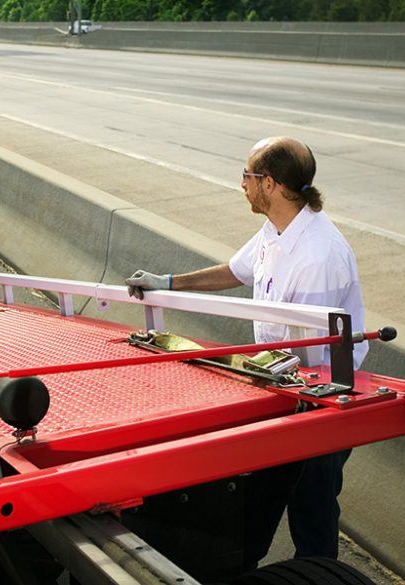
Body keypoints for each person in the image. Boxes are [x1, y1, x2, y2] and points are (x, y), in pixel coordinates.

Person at [125, 136, 366, 568]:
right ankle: (245, 564)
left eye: (247, 176)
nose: (242, 185)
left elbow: (312, 350)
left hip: (319, 397)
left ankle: (320, 573)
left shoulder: (317, 254)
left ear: (270, 184)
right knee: (265, 495)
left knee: (312, 507)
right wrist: (168, 282)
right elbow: (236, 271)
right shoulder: (277, 229)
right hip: (281, 388)